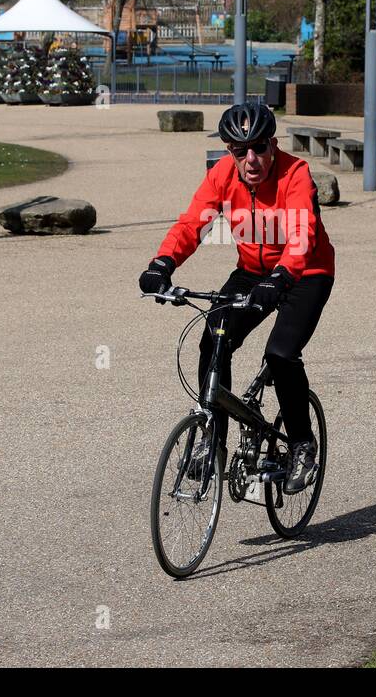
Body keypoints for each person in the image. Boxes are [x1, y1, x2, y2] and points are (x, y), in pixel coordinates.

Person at [139, 101, 335, 493]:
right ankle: (213, 441)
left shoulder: (295, 173)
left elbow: (302, 234)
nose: (251, 158)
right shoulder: (221, 174)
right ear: (228, 150)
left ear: (272, 144)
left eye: (259, 147)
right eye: (238, 149)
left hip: (306, 272)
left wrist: (280, 278)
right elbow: (193, 223)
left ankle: (301, 444)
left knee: (280, 354)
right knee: (214, 338)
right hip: (252, 272)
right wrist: (162, 263)